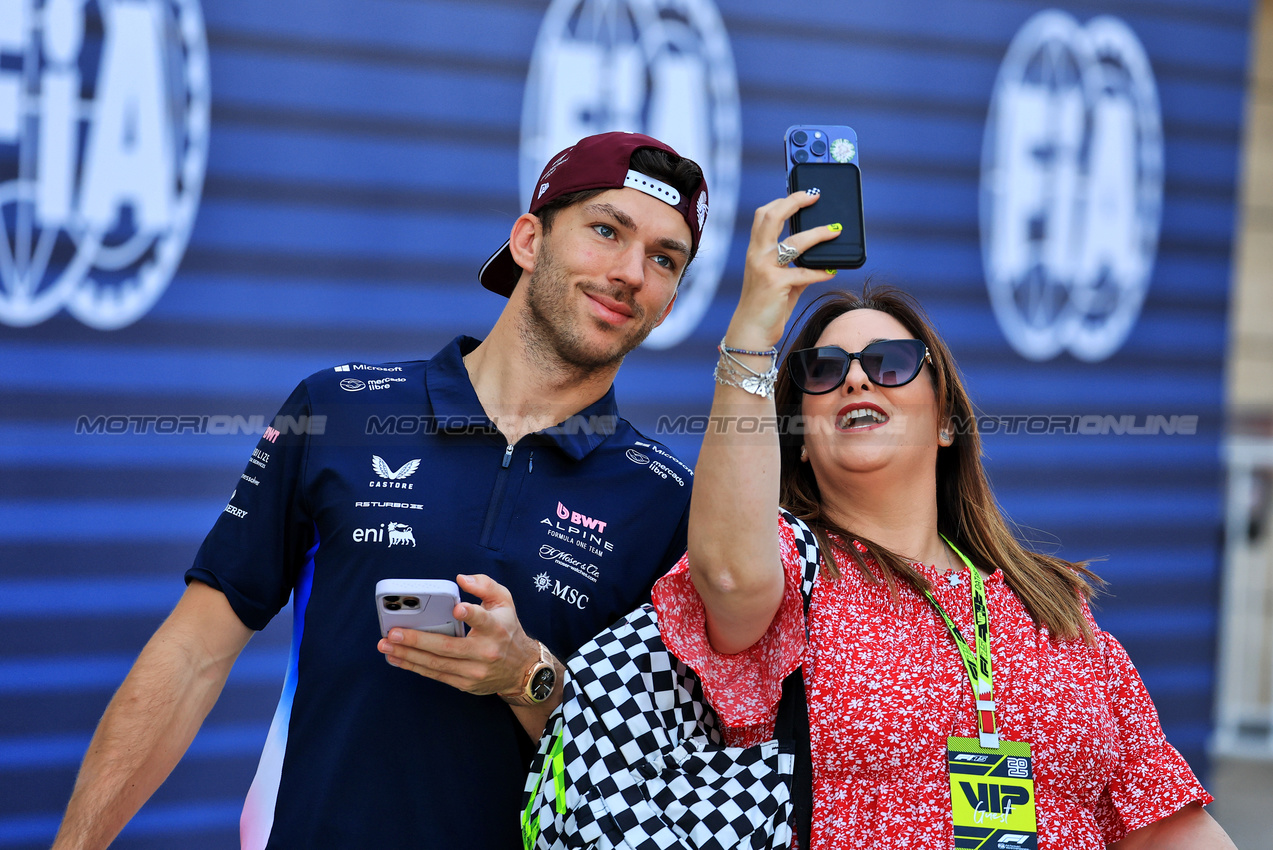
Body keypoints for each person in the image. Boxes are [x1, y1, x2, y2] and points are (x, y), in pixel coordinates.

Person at [51, 132, 708, 850]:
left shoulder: (669, 502)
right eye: (606, 230)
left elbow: (659, 778)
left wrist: (529, 678)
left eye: (663, 259)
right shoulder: (339, 408)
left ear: (671, 303)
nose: (629, 272)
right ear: (527, 239)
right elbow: (192, 654)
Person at [649, 189, 1237, 848]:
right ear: (800, 438)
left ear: (948, 421)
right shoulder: (786, 573)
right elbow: (726, 575)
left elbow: (1166, 825)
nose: (855, 382)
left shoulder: (1051, 603)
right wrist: (753, 333)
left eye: (890, 365)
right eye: (823, 371)